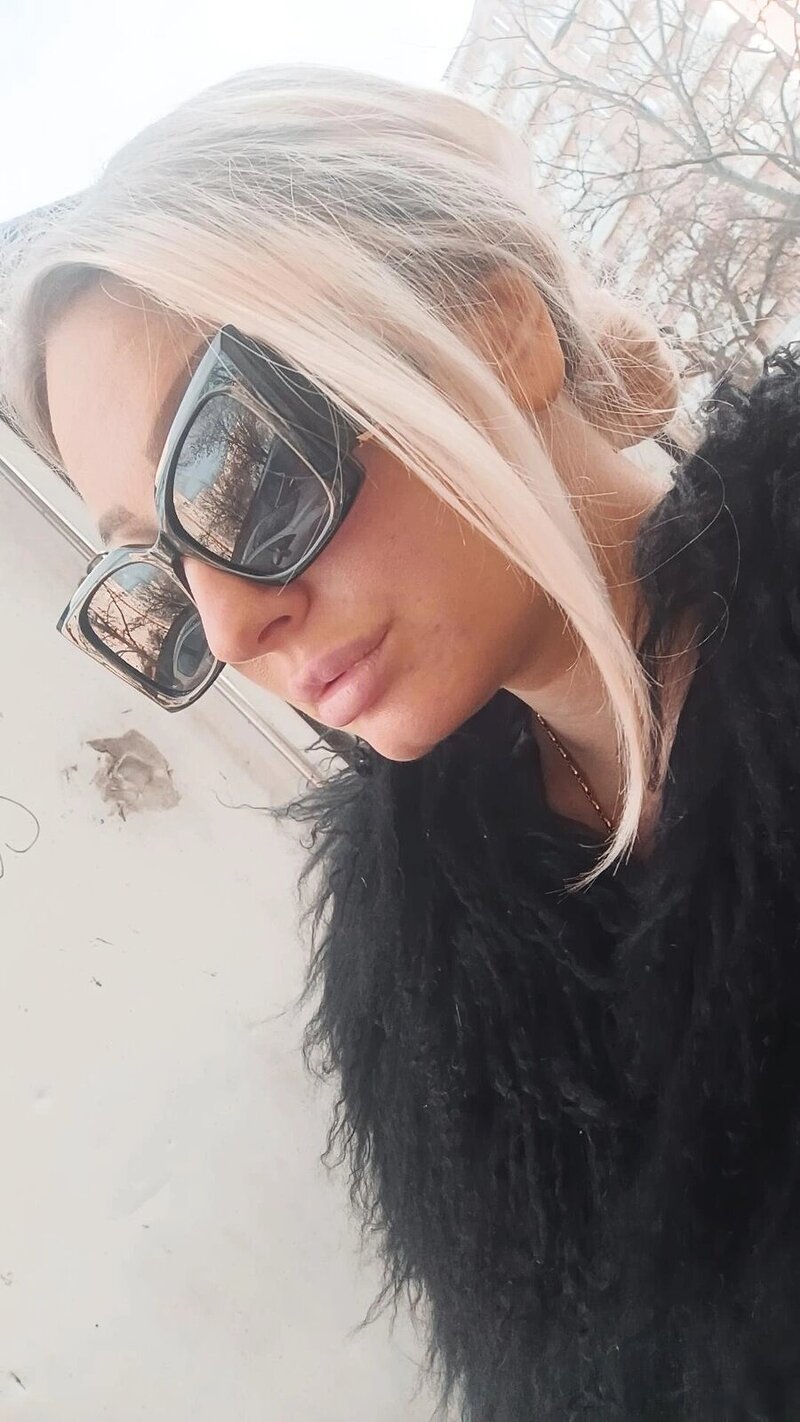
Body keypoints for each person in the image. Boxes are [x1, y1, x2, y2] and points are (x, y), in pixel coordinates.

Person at [2, 62, 800, 1421]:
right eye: (155, 573)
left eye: (234, 464)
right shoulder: (432, 1005)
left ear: (498, 327)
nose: (232, 625)